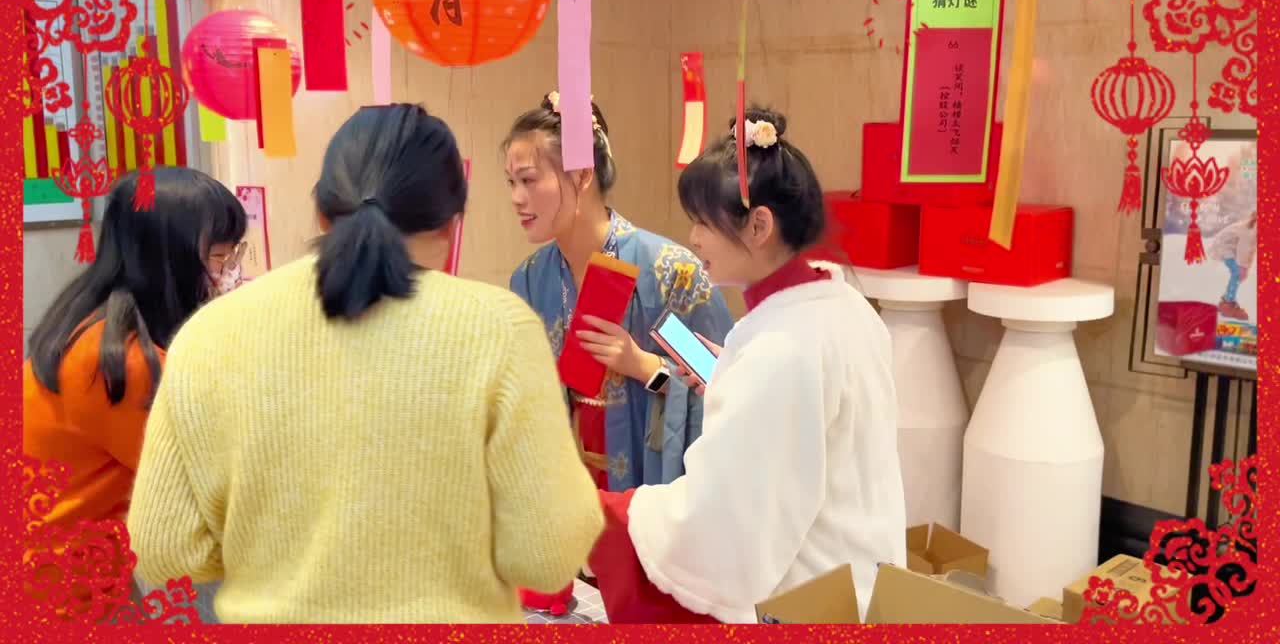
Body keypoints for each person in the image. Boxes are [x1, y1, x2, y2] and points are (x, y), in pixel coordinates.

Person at [126, 104, 603, 624]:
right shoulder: (500, 329)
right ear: (450, 225)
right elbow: (547, 554)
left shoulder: (207, 336)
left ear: (322, 214)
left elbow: (163, 550)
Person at [587, 108, 908, 623]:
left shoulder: (780, 349)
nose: (693, 238)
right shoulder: (844, 307)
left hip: (810, 599)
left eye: (702, 222)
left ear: (759, 225)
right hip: (862, 577)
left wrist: (612, 516)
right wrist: (729, 377)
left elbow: (723, 522)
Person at [23, 168, 246, 622]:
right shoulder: (121, 362)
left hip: (57, 566)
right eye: (220, 257)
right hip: (68, 590)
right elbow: (211, 486)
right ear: (171, 258)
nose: (229, 274)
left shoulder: (88, 322)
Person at [503, 92, 733, 495]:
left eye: (529, 179)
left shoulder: (666, 273)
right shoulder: (530, 280)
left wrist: (643, 365)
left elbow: (722, 384)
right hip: (567, 493)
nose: (516, 198)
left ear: (581, 175)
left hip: (651, 492)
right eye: (511, 182)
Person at [1208, 210, 1256, 321]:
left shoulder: (1253, 228)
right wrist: (1243, 266)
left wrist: (1246, 268)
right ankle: (1228, 302)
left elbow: (1251, 251)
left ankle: (1227, 300)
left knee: (1239, 274)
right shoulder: (1250, 229)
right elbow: (1244, 248)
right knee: (1237, 273)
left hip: (1231, 248)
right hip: (1226, 247)